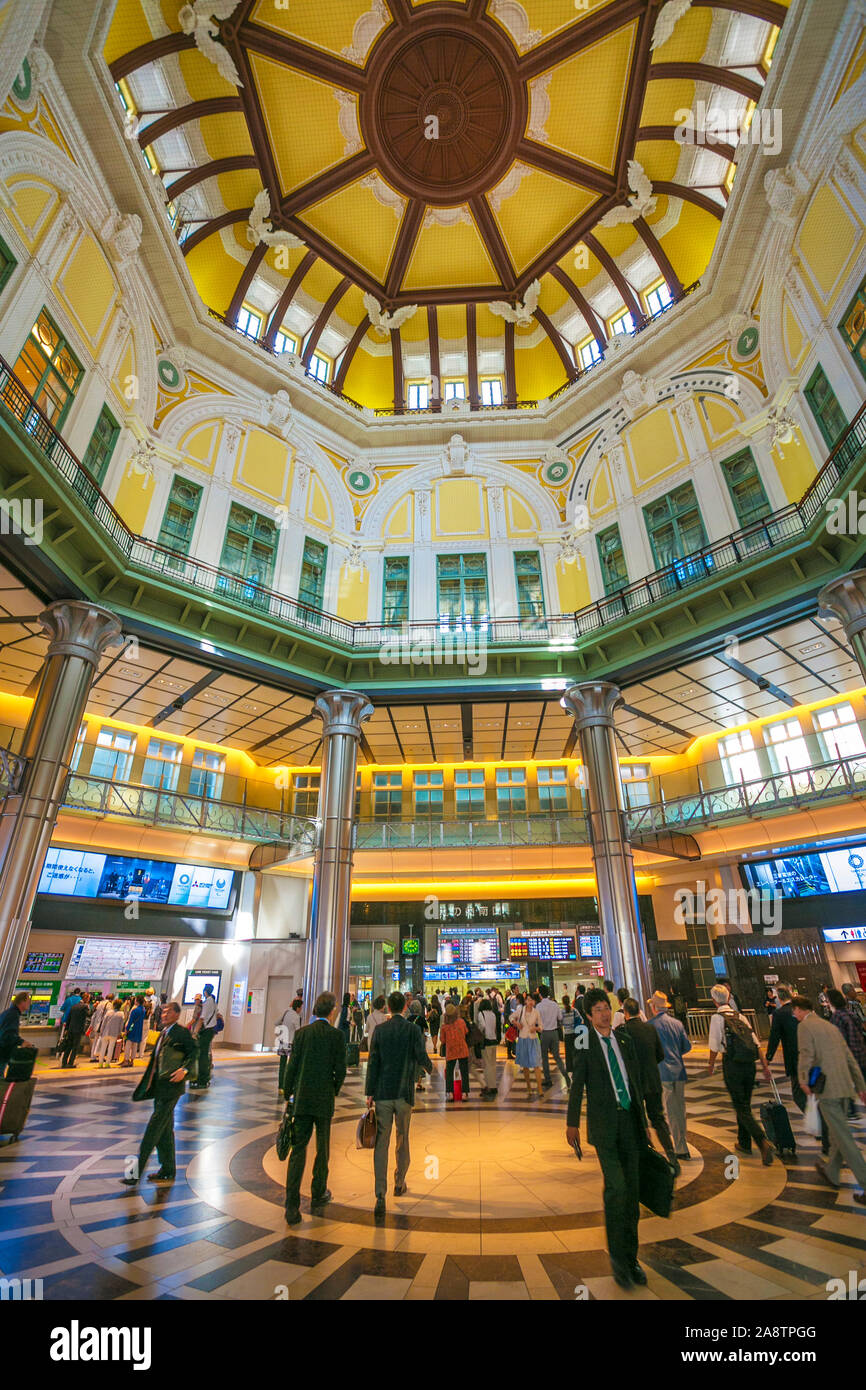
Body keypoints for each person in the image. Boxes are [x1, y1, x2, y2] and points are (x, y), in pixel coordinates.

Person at [566, 987, 650, 1290]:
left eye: (606, 1008)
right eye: (598, 1009)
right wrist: (572, 1122)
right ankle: (618, 1260)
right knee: (617, 1188)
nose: (604, 1013)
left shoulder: (624, 1039)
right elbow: (577, 1084)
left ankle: (632, 1257)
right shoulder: (585, 1042)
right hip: (604, 1126)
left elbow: (635, 1081)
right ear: (589, 1015)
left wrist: (645, 1119)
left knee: (632, 1193)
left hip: (630, 1122)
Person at [792, 995, 866, 1205]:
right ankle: (831, 1172)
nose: (794, 1015)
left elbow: (806, 1053)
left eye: (794, 1011)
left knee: (844, 1138)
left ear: (799, 1009)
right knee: (837, 1133)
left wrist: (803, 1079)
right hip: (844, 1086)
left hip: (828, 1091)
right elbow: (849, 1056)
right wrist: (860, 1085)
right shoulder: (829, 1025)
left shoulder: (805, 1028)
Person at [282, 991, 347, 1225]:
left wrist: (288, 1092)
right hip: (323, 1100)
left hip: (301, 1099)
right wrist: (334, 1089)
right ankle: (318, 1191)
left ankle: (291, 1206)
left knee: (298, 1150)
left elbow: (292, 1067)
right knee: (323, 1147)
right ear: (331, 1012)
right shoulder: (336, 1036)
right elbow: (340, 1070)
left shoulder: (301, 1035)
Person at [365, 991, 432, 1217]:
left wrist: (369, 1092)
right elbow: (421, 1055)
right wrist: (430, 1068)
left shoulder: (380, 1031)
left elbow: (373, 1061)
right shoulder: (412, 1030)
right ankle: (399, 1181)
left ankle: (379, 1194)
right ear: (404, 1007)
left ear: (388, 1008)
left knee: (381, 1142)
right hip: (404, 1093)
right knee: (403, 1137)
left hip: (383, 1093)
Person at [120, 1001, 198, 1187]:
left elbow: (194, 1052)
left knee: (153, 1130)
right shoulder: (163, 1034)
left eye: (168, 1012)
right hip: (160, 1088)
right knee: (164, 1132)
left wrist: (185, 1070)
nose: (164, 1015)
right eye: (163, 1012)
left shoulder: (181, 1033)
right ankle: (168, 1169)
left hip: (172, 1089)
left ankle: (134, 1174)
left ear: (177, 1015)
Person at [707, 983, 775, 1165]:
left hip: (733, 1064)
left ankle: (761, 1141)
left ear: (714, 1000)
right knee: (743, 1103)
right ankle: (744, 1142)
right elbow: (756, 1042)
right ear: (729, 998)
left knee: (741, 1106)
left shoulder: (717, 1018)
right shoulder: (740, 1017)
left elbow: (714, 1046)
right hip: (749, 1066)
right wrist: (765, 1067)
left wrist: (710, 1065)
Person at [620, 998, 678, 1173]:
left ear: (625, 1013)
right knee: (658, 1119)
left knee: (638, 1121)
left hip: (633, 1084)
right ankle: (672, 1156)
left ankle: (646, 1160)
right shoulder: (650, 1029)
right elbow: (660, 1054)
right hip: (653, 1080)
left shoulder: (622, 1032)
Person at [648, 990, 692, 1160]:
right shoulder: (677, 1024)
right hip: (679, 1071)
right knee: (680, 1110)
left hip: (663, 1072)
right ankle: (682, 1143)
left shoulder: (652, 1026)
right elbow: (686, 1047)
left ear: (654, 1007)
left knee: (671, 1111)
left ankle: (680, 1148)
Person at [766, 986, 808, 1113]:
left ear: (779, 998)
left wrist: (768, 1057)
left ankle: (818, 1122)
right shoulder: (802, 1009)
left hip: (794, 1058)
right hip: (812, 1055)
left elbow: (774, 1037)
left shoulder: (779, 1014)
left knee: (799, 1095)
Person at [535, 984, 569, 1090]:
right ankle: (566, 1076)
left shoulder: (539, 1006)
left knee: (544, 1057)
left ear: (540, 994)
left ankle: (548, 1079)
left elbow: (537, 1021)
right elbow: (560, 1017)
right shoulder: (554, 1004)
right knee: (557, 1056)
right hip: (554, 1033)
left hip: (544, 1033)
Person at [513, 992, 544, 1098]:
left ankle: (540, 1089)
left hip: (533, 1039)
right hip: (522, 1039)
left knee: (536, 1064)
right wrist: (516, 1023)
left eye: (532, 1000)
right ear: (526, 1001)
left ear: (535, 1002)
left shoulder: (536, 1012)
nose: (530, 1002)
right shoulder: (520, 1010)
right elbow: (511, 1017)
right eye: (529, 1000)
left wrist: (535, 1028)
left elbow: (541, 1026)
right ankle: (529, 1087)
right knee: (525, 1065)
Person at [190, 983, 218, 1089]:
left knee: (202, 1055)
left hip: (206, 1031)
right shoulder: (213, 1002)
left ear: (205, 992)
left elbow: (201, 1019)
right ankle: (204, 1078)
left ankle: (202, 1079)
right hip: (210, 1030)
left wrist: (195, 1033)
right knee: (204, 1054)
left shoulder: (207, 1003)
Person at [440, 1003, 470, 1101]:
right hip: (462, 1049)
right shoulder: (461, 1022)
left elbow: (443, 1040)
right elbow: (466, 1032)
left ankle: (450, 1093)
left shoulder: (444, 1026)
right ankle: (465, 1093)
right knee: (464, 1071)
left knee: (449, 1072)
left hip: (451, 1050)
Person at [275, 998, 303, 1096]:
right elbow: (298, 1030)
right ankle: (289, 1086)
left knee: (282, 1065)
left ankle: (280, 1086)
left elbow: (276, 1022)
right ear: (298, 1007)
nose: (301, 1009)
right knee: (291, 1065)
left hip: (283, 1041)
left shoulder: (286, 1012)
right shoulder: (296, 1016)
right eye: (301, 1007)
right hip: (291, 1043)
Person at [0, 991, 30, 1078]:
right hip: (2, 1053)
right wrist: (21, 1042)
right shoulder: (13, 1015)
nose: (29, 1004)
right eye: (28, 1001)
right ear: (22, 1002)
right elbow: (8, 1035)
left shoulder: (9, 1012)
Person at [477, 997, 500, 1099]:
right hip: (493, 1041)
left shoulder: (480, 1014)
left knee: (486, 1066)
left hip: (485, 1041)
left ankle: (489, 1087)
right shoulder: (493, 1014)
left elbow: (482, 1026)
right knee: (493, 1064)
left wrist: (479, 1032)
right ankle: (494, 1086)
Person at [59, 993, 88, 1069]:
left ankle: (64, 1063)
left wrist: (66, 1029)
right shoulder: (84, 1006)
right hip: (78, 1030)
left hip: (71, 1029)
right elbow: (88, 1015)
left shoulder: (74, 1006)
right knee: (75, 1047)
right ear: (85, 998)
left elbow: (69, 1018)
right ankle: (70, 1063)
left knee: (69, 1046)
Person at [95, 999, 124, 1068]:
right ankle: (107, 1064)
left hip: (105, 1032)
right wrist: (119, 1033)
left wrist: (101, 1032)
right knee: (110, 1049)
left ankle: (100, 1064)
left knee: (103, 1048)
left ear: (114, 1005)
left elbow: (103, 1023)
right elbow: (121, 1025)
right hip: (114, 1034)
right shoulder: (121, 1014)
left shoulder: (108, 1012)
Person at [120, 994, 146, 1068]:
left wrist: (127, 1030)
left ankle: (126, 1061)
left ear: (137, 1001)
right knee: (135, 1046)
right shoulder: (143, 1010)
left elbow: (131, 1021)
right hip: (139, 1030)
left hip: (132, 1029)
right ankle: (132, 1061)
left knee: (128, 1045)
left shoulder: (135, 1010)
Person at [561, 995, 578, 1076]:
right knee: (574, 1051)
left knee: (567, 1052)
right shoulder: (574, 1010)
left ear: (563, 1002)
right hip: (574, 1033)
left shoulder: (562, 1012)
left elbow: (560, 1022)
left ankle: (569, 1068)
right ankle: (575, 1066)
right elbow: (580, 1019)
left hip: (567, 1033)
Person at [504, 984, 521, 1060]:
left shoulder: (509, 998)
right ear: (513, 990)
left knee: (510, 1036)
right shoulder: (514, 998)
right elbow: (514, 1009)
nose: (518, 990)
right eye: (517, 988)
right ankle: (514, 1051)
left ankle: (510, 1052)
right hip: (513, 1021)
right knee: (514, 1035)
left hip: (508, 1021)